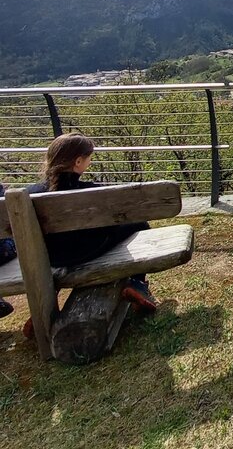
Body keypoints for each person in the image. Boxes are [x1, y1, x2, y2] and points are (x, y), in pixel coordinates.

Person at [1, 133, 158, 335]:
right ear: (78, 162)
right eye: (89, 158)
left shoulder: (29, 193)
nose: (89, 161)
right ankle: (137, 284)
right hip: (86, 252)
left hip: (51, 259)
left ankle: (44, 311)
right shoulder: (92, 191)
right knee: (139, 224)